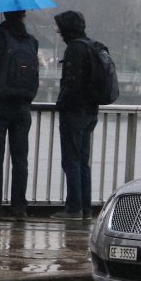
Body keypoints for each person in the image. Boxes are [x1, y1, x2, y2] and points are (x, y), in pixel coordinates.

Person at [0, 10, 40, 218]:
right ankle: (19, 207)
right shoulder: (31, 41)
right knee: (20, 159)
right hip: (22, 106)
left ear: (4, 14)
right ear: (23, 16)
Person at [53, 11, 100, 220]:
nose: (58, 32)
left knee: (71, 160)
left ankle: (73, 208)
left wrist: (62, 103)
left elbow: (72, 83)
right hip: (90, 111)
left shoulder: (75, 49)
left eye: (60, 28)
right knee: (82, 161)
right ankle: (86, 209)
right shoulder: (92, 46)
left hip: (74, 112)